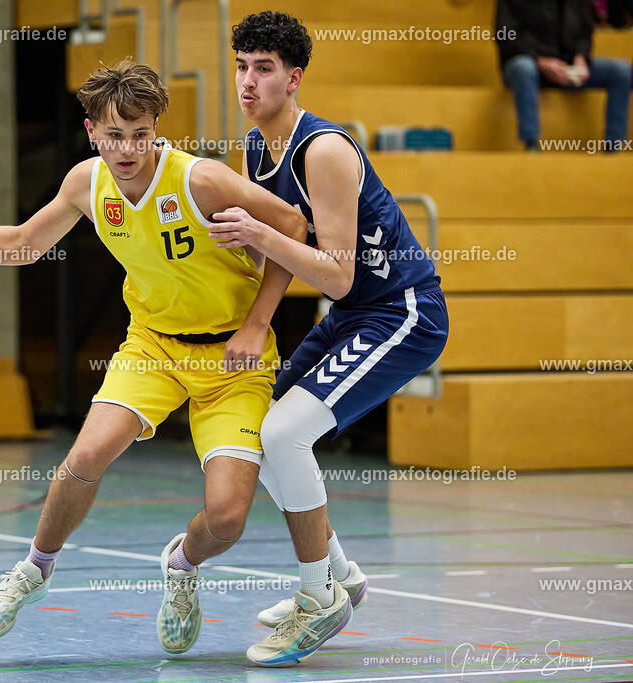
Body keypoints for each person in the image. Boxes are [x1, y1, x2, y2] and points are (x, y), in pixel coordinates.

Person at [0, 59, 311, 657]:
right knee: (85, 453)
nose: (129, 149)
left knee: (226, 520)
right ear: (92, 132)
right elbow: (24, 243)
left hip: (232, 358)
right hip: (153, 346)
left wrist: (256, 324)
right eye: (115, 135)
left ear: (156, 129)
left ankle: (182, 565)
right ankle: (33, 570)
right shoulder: (86, 184)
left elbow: (294, 223)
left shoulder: (202, 181)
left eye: (141, 135)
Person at [207, 11, 450, 666]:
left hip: (399, 310)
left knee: (287, 433)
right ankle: (340, 576)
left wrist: (258, 235)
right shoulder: (259, 149)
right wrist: (250, 315)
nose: (247, 82)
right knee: (262, 430)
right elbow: (289, 250)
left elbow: (338, 276)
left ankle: (317, 598)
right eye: (241, 66)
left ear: (294, 78)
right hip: (355, 315)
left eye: (263, 69)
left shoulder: (326, 150)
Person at [496, 0, 632, 150]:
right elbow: (504, 35)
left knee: (621, 70)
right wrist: (540, 61)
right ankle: (531, 143)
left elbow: (585, 33)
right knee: (524, 68)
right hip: (528, 63)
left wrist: (580, 57)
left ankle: (614, 145)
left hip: (566, 65)